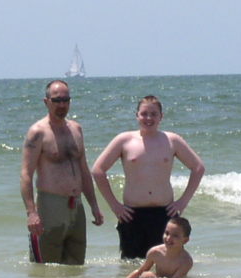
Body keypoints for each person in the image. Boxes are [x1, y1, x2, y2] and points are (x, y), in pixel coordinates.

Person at [92, 95, 204, 259]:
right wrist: (115, 205)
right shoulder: (124, 140)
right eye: (144, 114)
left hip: (165, 214)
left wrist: (182, 201)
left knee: (165, 266)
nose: (148, 118)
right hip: (132, 214)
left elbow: (198, 168)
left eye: (153, 114)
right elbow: (98, 170)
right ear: (137, 115)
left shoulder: (172, 140)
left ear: (161, 116)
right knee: (131, 266)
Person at [20, 80, 103, 265]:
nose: (62, 105)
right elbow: (26, 174)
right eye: (57, 100)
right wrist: (31, 213)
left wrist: (94, 206)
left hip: (76, 207)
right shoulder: (38, 132)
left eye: (66, 100)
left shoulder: (76, 129)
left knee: (76, 268)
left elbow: (83, 170)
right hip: (51, 206)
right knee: (47, 269)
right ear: (46, 101)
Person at [127, 216, 193, 278]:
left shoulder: (186, 261)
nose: (168, 238)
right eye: (167, 233)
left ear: (185, 240)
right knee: (146, 275)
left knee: (148, 275)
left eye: (175, 236)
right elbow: (139, 272)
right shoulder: (155, 252)